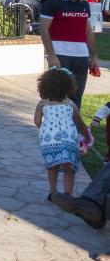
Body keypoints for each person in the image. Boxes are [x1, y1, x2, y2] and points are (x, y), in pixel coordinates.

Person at [39, 0, 100, 108]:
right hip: (60, 56)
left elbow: (88, 31)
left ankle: (73, 129)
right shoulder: (53, 2)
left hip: (81, 57)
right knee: (57, 96)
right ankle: (54, 128)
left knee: (76, 97)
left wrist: (94, 56)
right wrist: (51, 54)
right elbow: (44, 30)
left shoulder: (85, 5)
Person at [34, 68, 89, 200]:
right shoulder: (71, 104)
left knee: (52, 167)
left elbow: (36, 121)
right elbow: (80, 124)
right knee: (69, 169)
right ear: (69, 87)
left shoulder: (42, 104)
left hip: (49, 140)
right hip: (69, 140)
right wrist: (87, 137)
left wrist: (46, 128)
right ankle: (67, 195)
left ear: (44, 86)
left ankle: (53, 193)